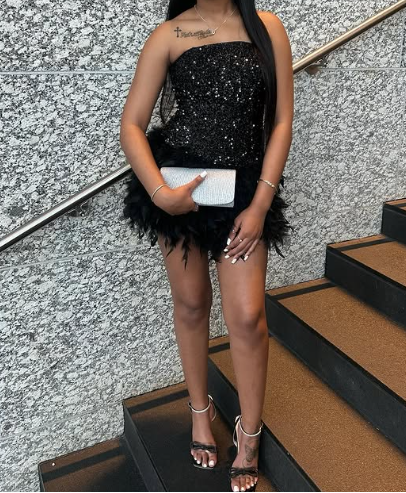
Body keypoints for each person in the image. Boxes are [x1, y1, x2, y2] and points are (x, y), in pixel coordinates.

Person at [120, 1, 294, 491]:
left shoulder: (267, 27)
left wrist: (260, 203)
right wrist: (161, 194)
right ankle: (201, 412)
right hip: (181, 190)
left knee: (247, 316)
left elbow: (281, 120)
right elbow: (131, 124)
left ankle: (249, 433)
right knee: (192, 303)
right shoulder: (169, 34)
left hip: (245, 192)